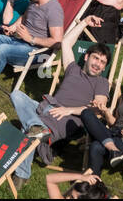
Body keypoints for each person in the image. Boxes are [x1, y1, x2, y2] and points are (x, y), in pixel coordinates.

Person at [10, 37, 111, 180]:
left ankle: (21, 175)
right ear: (87, 57)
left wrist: (69, 110)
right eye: (96, 58)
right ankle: (36, 126)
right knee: (16, 95)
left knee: (29, 133)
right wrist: (84, 22)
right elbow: (65, 42)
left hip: (67, 119)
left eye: (102, 63)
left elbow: (98, 110)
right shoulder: (73, 68)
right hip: (46, 107)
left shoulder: (102, 82)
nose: (98, 64)